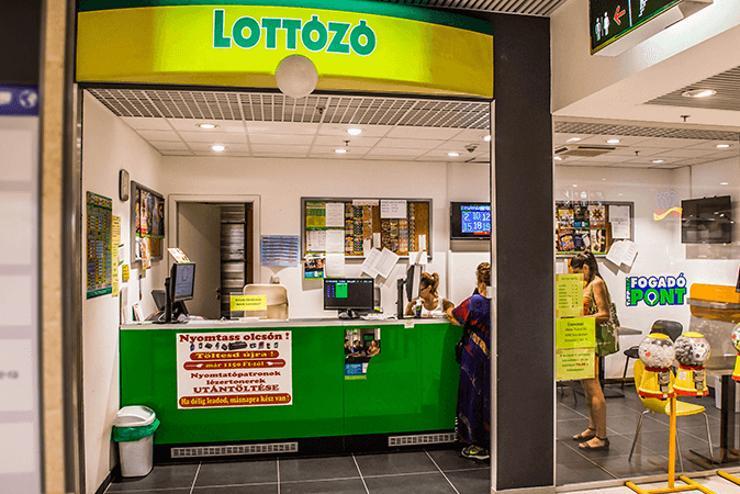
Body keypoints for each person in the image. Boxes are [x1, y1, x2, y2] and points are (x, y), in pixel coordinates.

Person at [569, 251, 618, 451]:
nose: (575, 276)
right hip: (584, 339)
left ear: (586, 268)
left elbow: (604, 314)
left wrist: (580, 320)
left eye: (577, 272)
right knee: (586, 386)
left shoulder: (597, 283)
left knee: (593, 386)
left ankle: (601, 435)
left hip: (593, 341)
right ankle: (592, 427)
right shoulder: (586, 284)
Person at [451, 262, 491, 461]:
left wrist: (447, 307)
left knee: (472, 398)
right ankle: (491, 441)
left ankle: (477, 443)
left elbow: (455, 316)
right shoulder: (499, 300)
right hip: (491, 356)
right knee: (488, 398)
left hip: (473, 356)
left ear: (479, 280)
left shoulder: (475, 301)